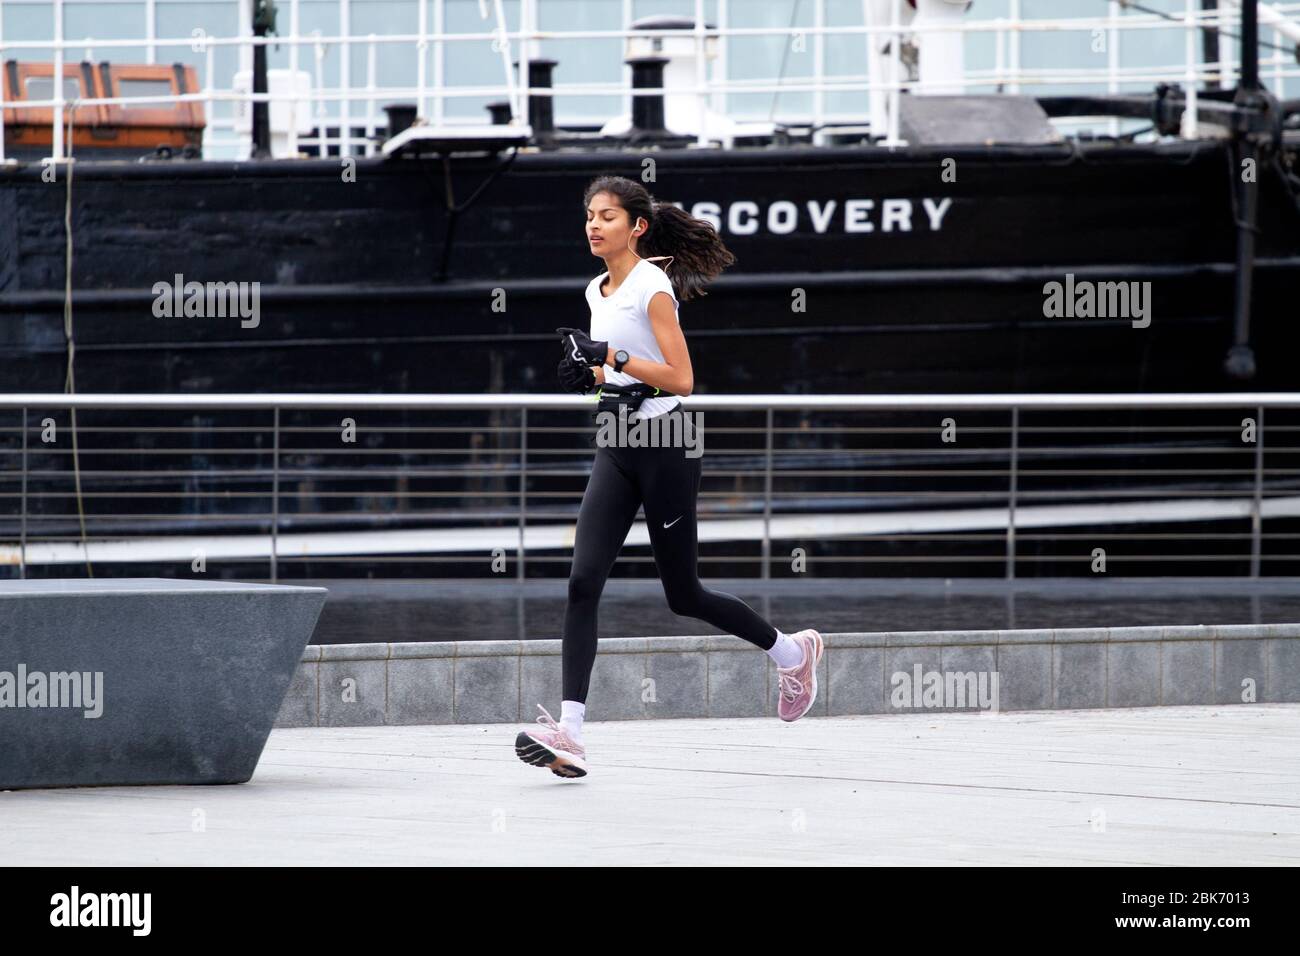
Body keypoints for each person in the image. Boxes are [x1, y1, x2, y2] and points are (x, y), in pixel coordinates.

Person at [514, 175, 822, 779]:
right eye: (589, 216)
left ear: (637, 227)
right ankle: (570, 732)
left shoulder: (653, 288)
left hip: (667, 443)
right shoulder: (596, 289)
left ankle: (793, 653)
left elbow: (680, 379)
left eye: (607, 217)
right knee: (582, 582)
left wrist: (612, 359)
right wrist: (591, 378)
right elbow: (620, 373)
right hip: (618, 440)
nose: (593, 226)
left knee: (683, 595)